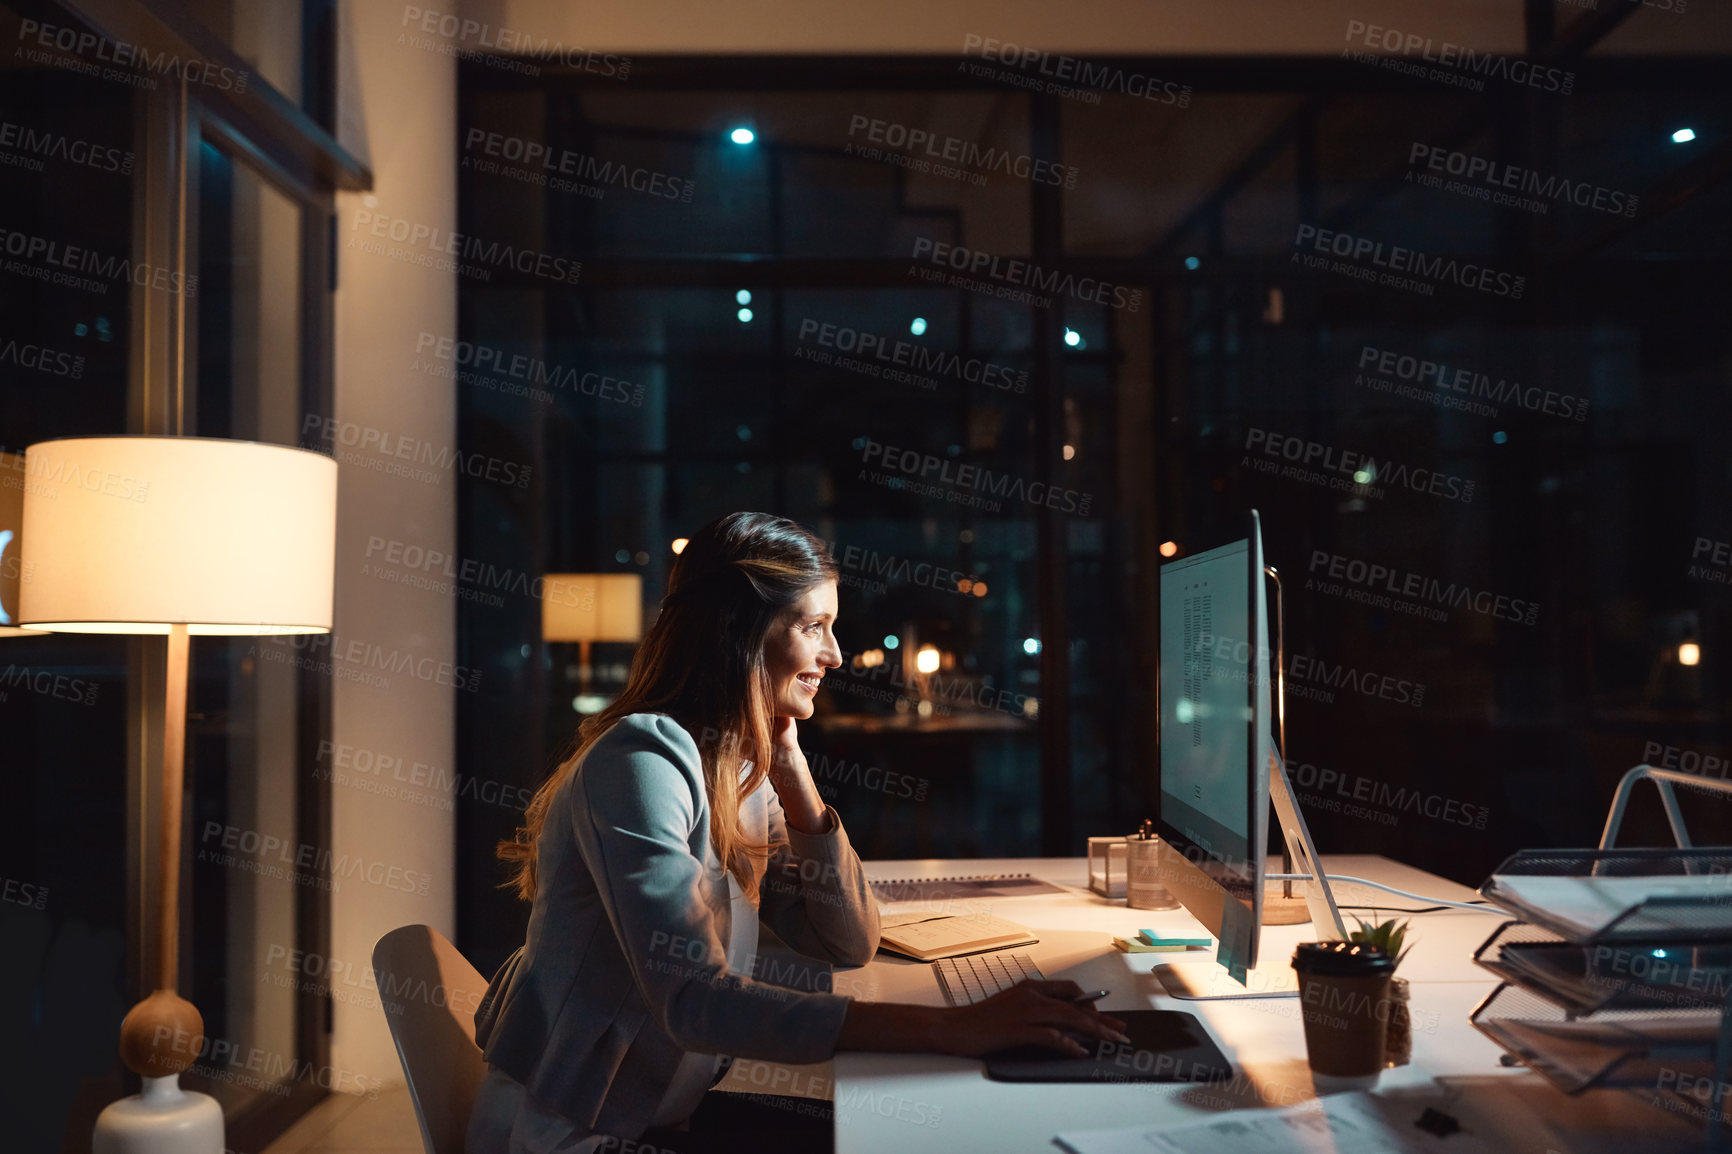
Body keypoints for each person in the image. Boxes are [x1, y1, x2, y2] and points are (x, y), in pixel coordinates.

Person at [467, 512, 1128, 1154]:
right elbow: (694, 1001)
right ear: (740, 631)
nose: (834, 655)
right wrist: (951, 1028)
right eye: (814, 626)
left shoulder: (739, 768)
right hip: (573, 1133)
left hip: (664, 1112)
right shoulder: (642, 762)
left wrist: (796, 780)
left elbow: (848, 940)